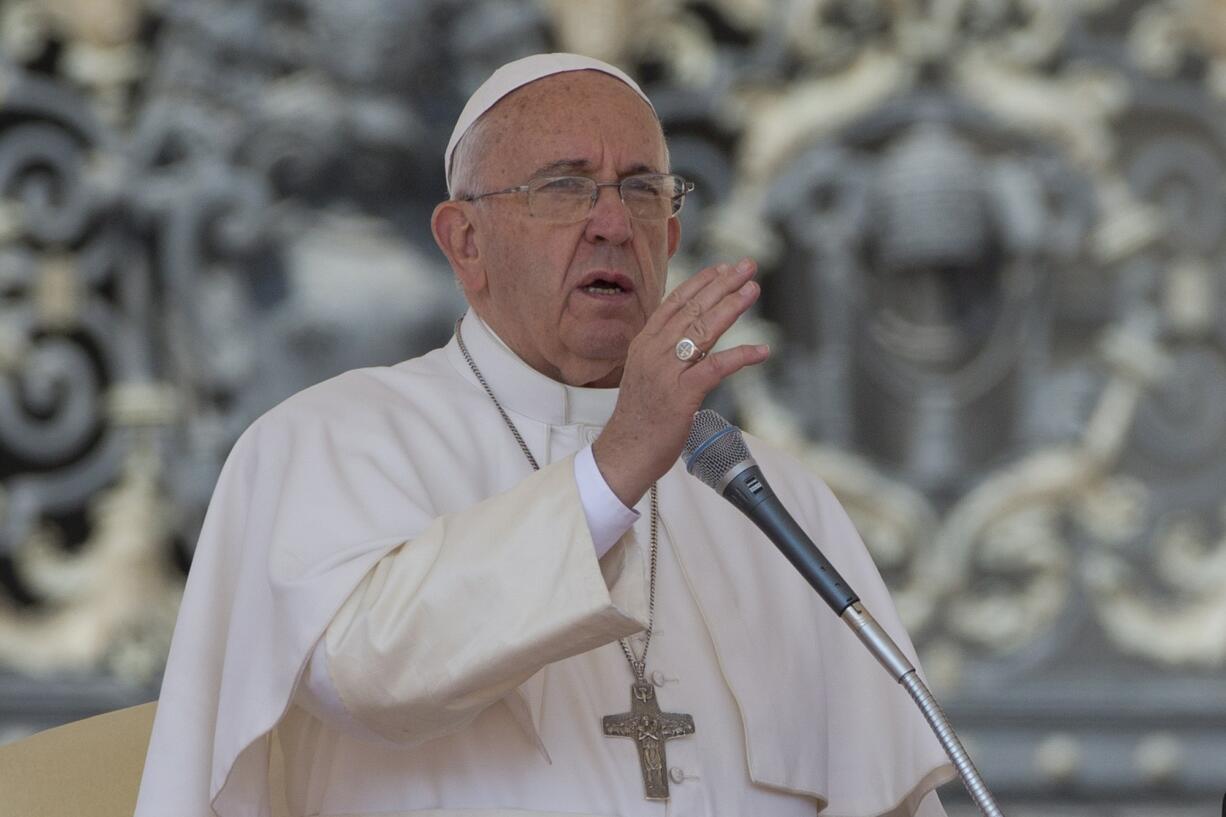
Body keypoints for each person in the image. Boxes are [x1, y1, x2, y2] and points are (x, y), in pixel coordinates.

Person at [135, 53, 954, 817]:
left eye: (641, 191)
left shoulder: (769, 498)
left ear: (669, 238)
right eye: (564, 188)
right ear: (465, 243)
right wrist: (614, 470)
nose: (610, 223)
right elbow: (368, 670)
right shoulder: (326, 443)